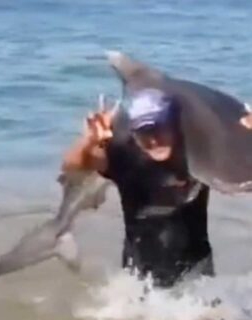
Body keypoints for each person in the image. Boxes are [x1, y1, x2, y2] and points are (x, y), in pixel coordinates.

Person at [61, 88, 214, 288]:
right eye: (144, 131)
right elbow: (73, 168)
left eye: (159, 128)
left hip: (197, 275)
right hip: (139, 276)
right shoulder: (125, 156)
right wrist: (89, 141)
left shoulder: (198, 156)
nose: (153, 139)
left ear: (174, 125)